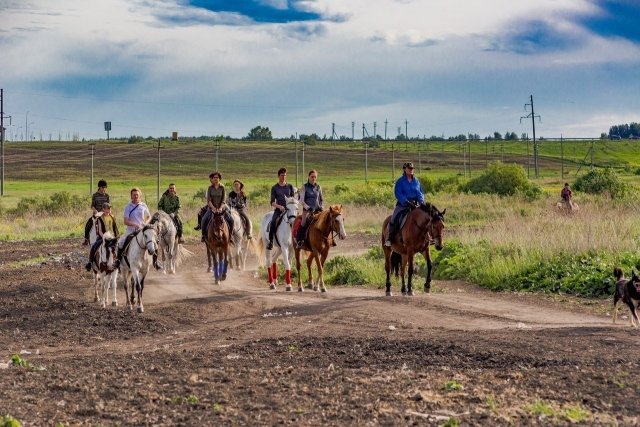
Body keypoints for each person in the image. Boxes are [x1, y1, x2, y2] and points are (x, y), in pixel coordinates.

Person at [385, 162, 424, 247]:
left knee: (425, 217)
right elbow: (398, 193)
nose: (411, 170)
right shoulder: (400, 181)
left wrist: (421, 203)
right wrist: (406, 202)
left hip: (415, 204)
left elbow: (420, 192)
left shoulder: (416, 181)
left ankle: (427, 238)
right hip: (403, 205)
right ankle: (390, 239)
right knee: (394, 218)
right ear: (404, 169)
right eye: (409, 168)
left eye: (412, 169)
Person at [115, 187, 151, 268]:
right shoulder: (128, 207)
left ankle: (155, 261)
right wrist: (135, 224)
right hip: (131, 231)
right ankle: (118, 260)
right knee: (121, 242)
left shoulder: (143, 205)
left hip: (142, 230)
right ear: (131, 196)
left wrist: (145, 223)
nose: (135, 196)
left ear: (140, 196)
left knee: (152, 241)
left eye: (137, 195)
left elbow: (149, 217)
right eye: (134, 195)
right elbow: (125, 221)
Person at [266, 167, 295, 250]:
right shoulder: (274, 188)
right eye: (282, 175)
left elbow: (293, 199)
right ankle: (271, 242)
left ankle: (299, 240)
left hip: (289, 210)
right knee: (273, 222)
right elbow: (272, 202)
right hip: (279, 210)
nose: (283, 177)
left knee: (297, 221)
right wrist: (280, 207)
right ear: (278, 176)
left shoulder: (290, 186)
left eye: (285, 175)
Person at [85, 202, 120, 271]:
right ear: (103, 209)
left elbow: (115, 228)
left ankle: (118, 262)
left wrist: (117, 236)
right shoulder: (100, 218)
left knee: (119, 247)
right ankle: (90, 262)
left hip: (112, 237)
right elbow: (99, 230)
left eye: (110, 208)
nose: (109, 210)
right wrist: (104, 237)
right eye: (107, 208)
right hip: (103, 237)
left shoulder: (112, 217)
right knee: (94, 246)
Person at [200, 171, 234, 242]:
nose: (215, 179)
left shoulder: (222, 187)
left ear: (219, 179)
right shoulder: (210, 188)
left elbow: (224, 200)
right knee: (204, 220)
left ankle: (230, 236)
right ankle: (203, 235)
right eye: (214, 177)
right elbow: (208, 200)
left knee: (231, 219)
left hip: (221, 207)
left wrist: (221, 208)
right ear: (212, 179)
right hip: (212, 208)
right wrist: (213, 208)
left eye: (217, 177)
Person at [296, 169, 324, 249]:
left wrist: (321, 207)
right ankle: (299, 240)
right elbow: (301, 200)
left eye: (315, 177)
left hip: (318, 210)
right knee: (303, 223)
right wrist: (308, 207)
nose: (313, 178)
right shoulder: (304, 187)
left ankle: (330, 240)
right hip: (307, 210)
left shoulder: (318, 187)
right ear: (308, 177)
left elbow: (321, 199)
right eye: (312, 177)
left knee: (327, 219)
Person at [83, 179, 110, 246]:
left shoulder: (107, 196)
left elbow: (109, 206)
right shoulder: (95, 195)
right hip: (97, 214)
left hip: (105, 213)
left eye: (104, 187)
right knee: (88, 224)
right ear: (99, 187)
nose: (104, 189)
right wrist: (95, 210)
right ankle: (86, 239)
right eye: (102, 187)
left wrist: (107, 212)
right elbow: (92, 205)